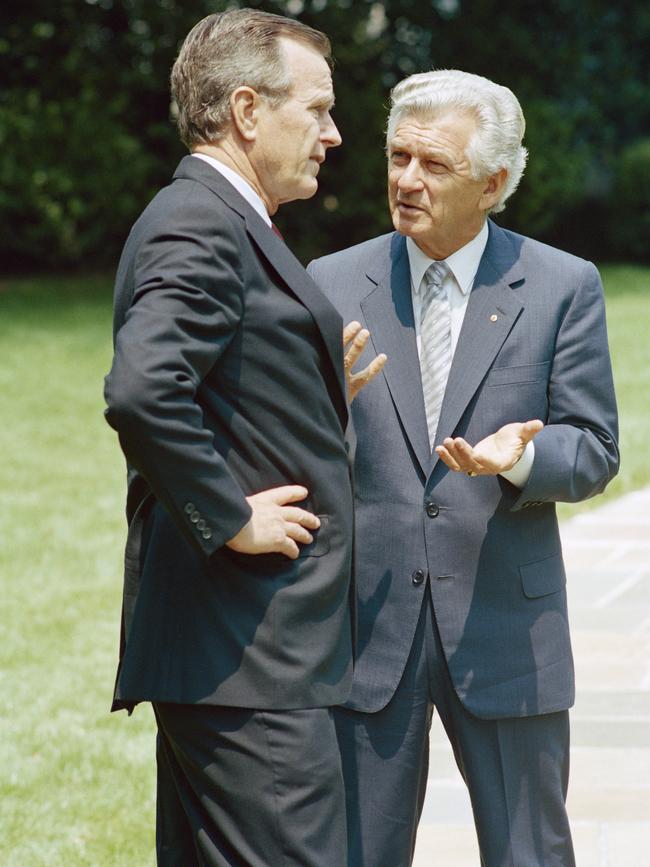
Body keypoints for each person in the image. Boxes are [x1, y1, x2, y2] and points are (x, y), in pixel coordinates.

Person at [308, 69, 619, 867]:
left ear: (494, 183)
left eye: (434, 165)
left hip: (507, 632)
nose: (407, 180)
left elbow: (593, 447)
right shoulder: (330, 285)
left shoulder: (561, 286)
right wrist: (324, 408)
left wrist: (519, 462)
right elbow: (295, 450)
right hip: (368, 629)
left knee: (530, 854)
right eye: (398, 156)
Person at [103, 10, 383, 866]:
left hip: (236, 656)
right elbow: (145, 390)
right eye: (319, 110)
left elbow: (216, 371)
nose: (334, 135)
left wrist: (312, 372)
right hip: (248, 654)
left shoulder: (224, 217)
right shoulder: (200, 220)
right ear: (248, 110)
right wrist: (229, 516)